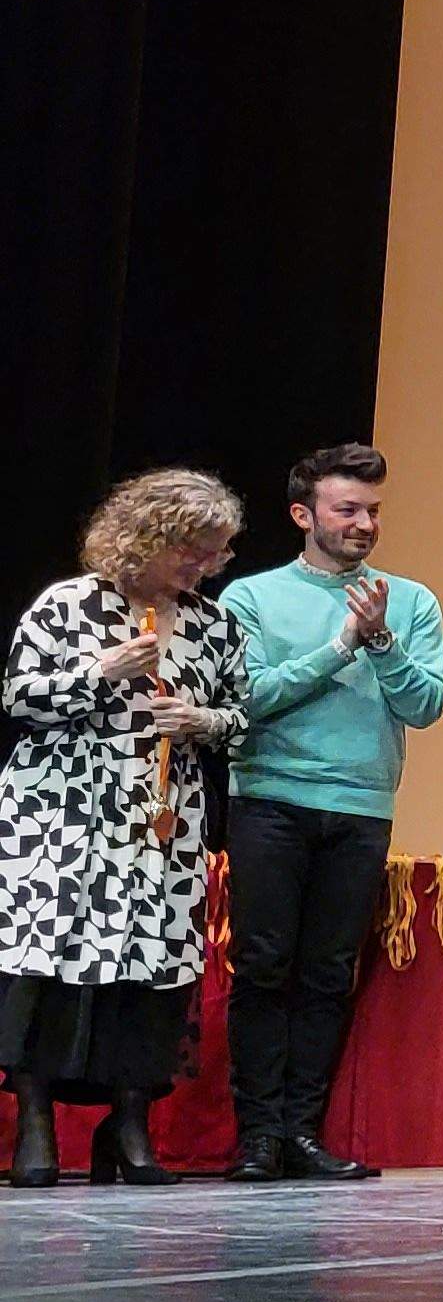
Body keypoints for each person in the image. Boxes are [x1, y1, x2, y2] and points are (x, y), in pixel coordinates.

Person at [0, 472, 249, 1188]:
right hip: (61, 820)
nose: (202, 566)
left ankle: (131, 1122)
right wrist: (98, 670)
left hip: (160, 825)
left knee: (153, 969)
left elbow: (240, 715)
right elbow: (18, 696)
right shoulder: (69, 607)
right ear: (145, 539)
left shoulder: (213, 624)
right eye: (190, 551)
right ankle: (37, 1125)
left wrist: (203, 722)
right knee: (49, 963)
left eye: (212, 553)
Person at [218, 443, 443, 1183]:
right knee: (263, 967)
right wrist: (339, 646)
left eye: (373, 511)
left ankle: (301, 1133)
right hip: (271, 799)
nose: (364, 524)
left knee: (326, 974)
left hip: (360, 805)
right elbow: (247, 700)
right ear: (302, 514)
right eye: (347, 510)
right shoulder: (250, 598)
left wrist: (380, 640)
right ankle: (257, 1135)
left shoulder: (408, 601)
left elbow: (426, 705)